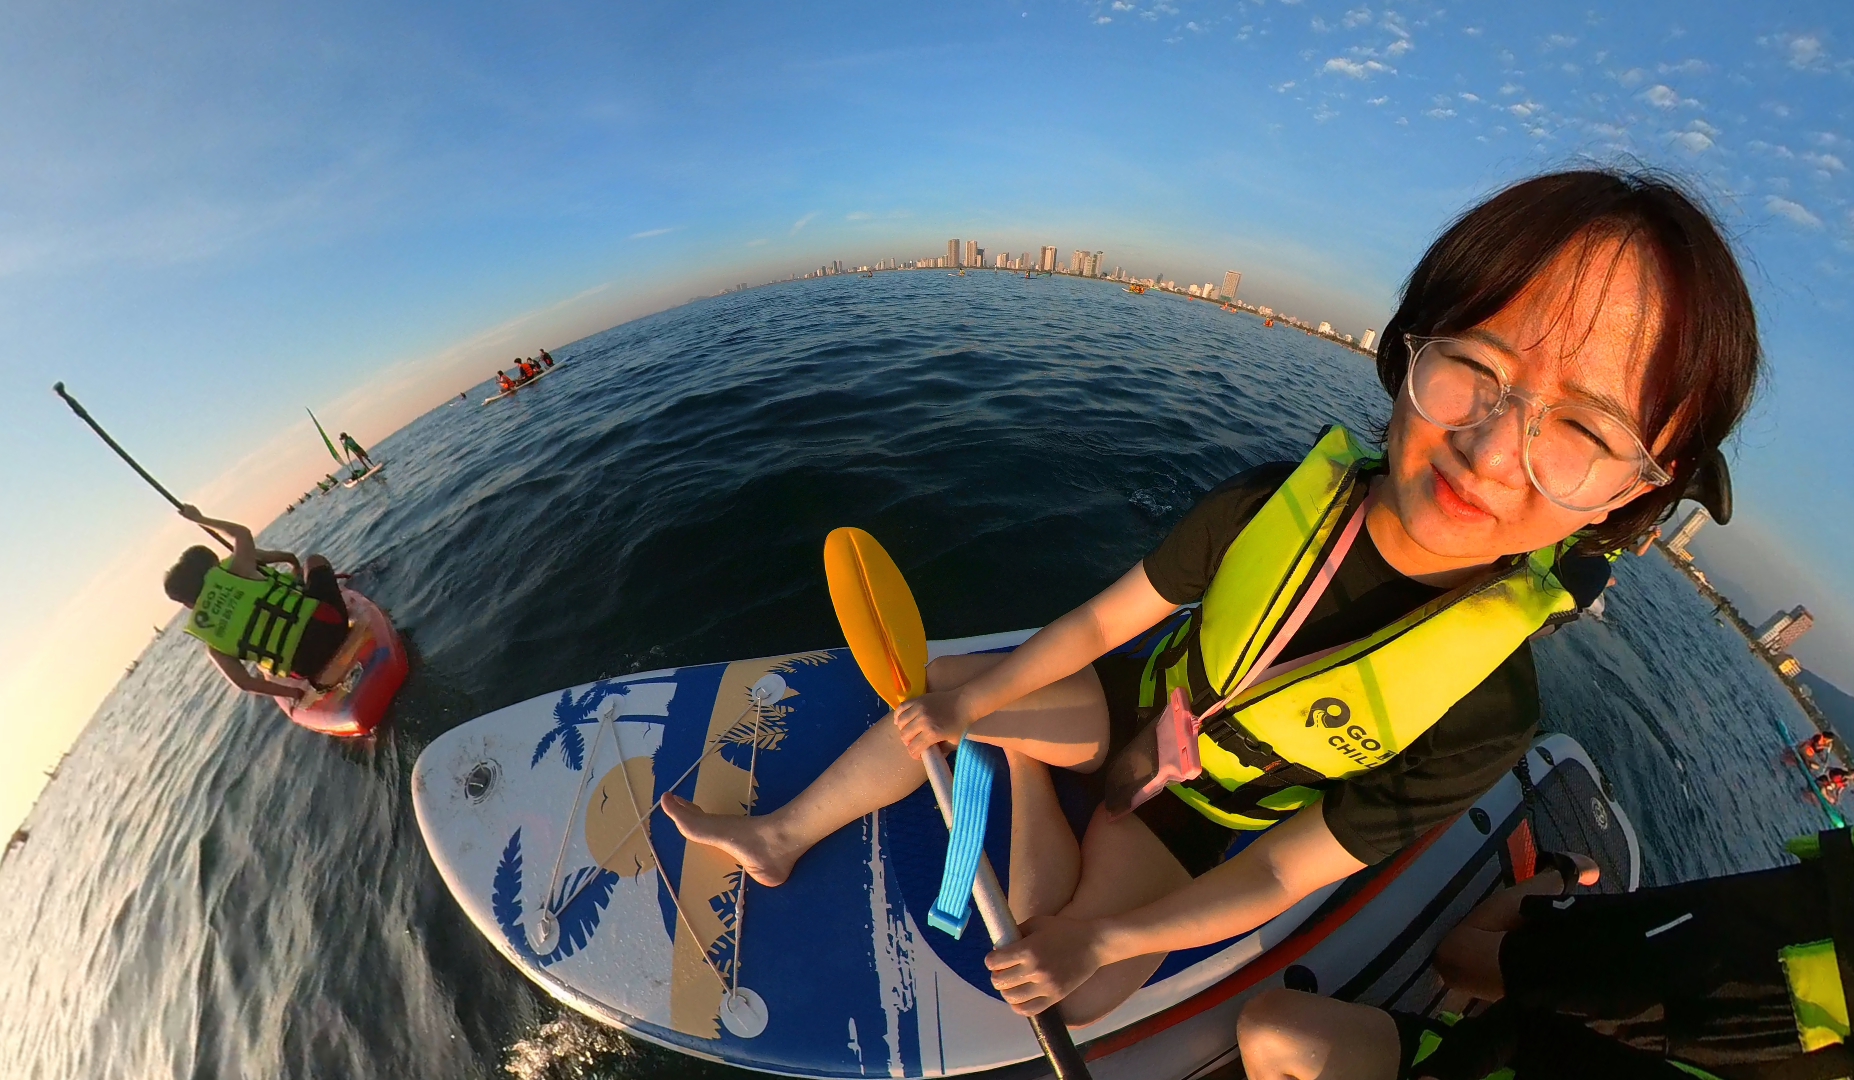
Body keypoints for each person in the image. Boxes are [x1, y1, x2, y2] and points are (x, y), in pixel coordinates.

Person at [664, 168, 1761, 1026]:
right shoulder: (1265, 504)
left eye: (1582, 430)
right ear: (1414, 345)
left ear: (1639, 489)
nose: (1493, 449)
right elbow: (1105, 624)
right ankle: (782, 833)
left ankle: (1026, 773)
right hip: (1131, 704)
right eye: (1480, 366)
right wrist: (968, 705)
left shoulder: (1487, 715)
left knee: (1071, 986)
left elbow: (1283, 867)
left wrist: (1105, 942)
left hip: (1203, 814)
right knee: (944, 687)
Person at [1234, 810, 1854, 1079]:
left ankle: (1562, 884)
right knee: (1465, 963)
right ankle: (1560, 882)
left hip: (1832, 971)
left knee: (1475, 970)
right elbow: (1523, 1032)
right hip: (1819, 942)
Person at [162, 505, 355, 706]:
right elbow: (241, 533)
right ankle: (344, 606)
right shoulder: (237, 571)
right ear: (211, 571)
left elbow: (244, 683)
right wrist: (199, 518)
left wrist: (294, 693)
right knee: (314, 561)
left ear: (187, 604)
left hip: (307, 666)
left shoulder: (213, 645)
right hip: (332, 626)